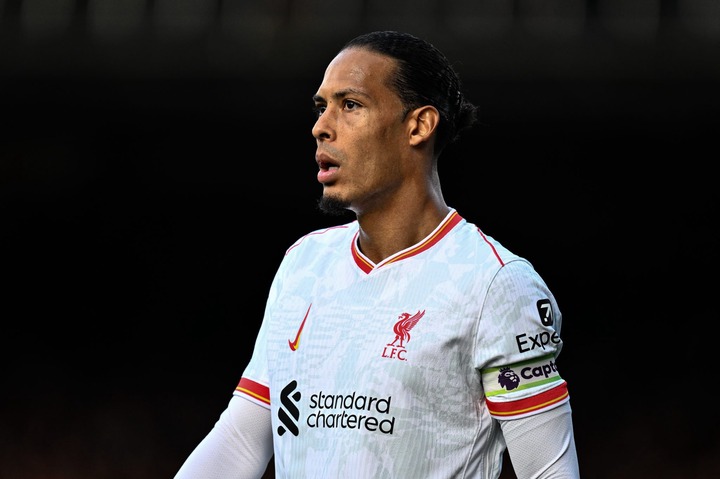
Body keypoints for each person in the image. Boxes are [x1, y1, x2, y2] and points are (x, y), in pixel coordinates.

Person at [174, 30, 580, 479]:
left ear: (418, 126)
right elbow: (241, 440)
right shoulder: (304, 264)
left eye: (350, 105)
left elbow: (549, 472)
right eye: (321, 106)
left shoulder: (494, 283)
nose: (321, 126)